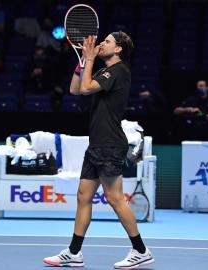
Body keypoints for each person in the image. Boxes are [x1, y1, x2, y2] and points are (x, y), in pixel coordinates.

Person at [43, 32, 154, 269]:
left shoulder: (118, 70)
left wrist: (90, 58)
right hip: (97, 144)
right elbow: (75, 89)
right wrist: (83, 62)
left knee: (115, 199)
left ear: (119, 50)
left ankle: (141, 250)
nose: (101, 44)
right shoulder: (105, 71)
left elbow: (85, 88)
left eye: (108, 42)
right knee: (84, 196)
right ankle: (74, 252)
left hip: (110, 144)